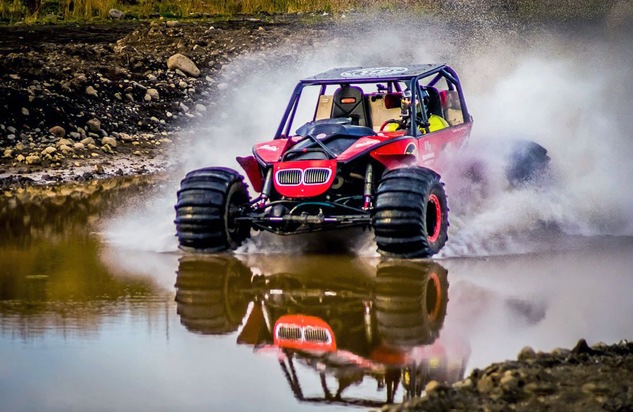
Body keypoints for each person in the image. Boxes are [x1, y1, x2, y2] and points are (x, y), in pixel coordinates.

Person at [383, 88, 449, 133]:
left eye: (410, 100)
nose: (407, 103)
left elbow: (433, 144)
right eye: (404, 100)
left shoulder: (436, 121)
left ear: (424, 102)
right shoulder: (395, 125)